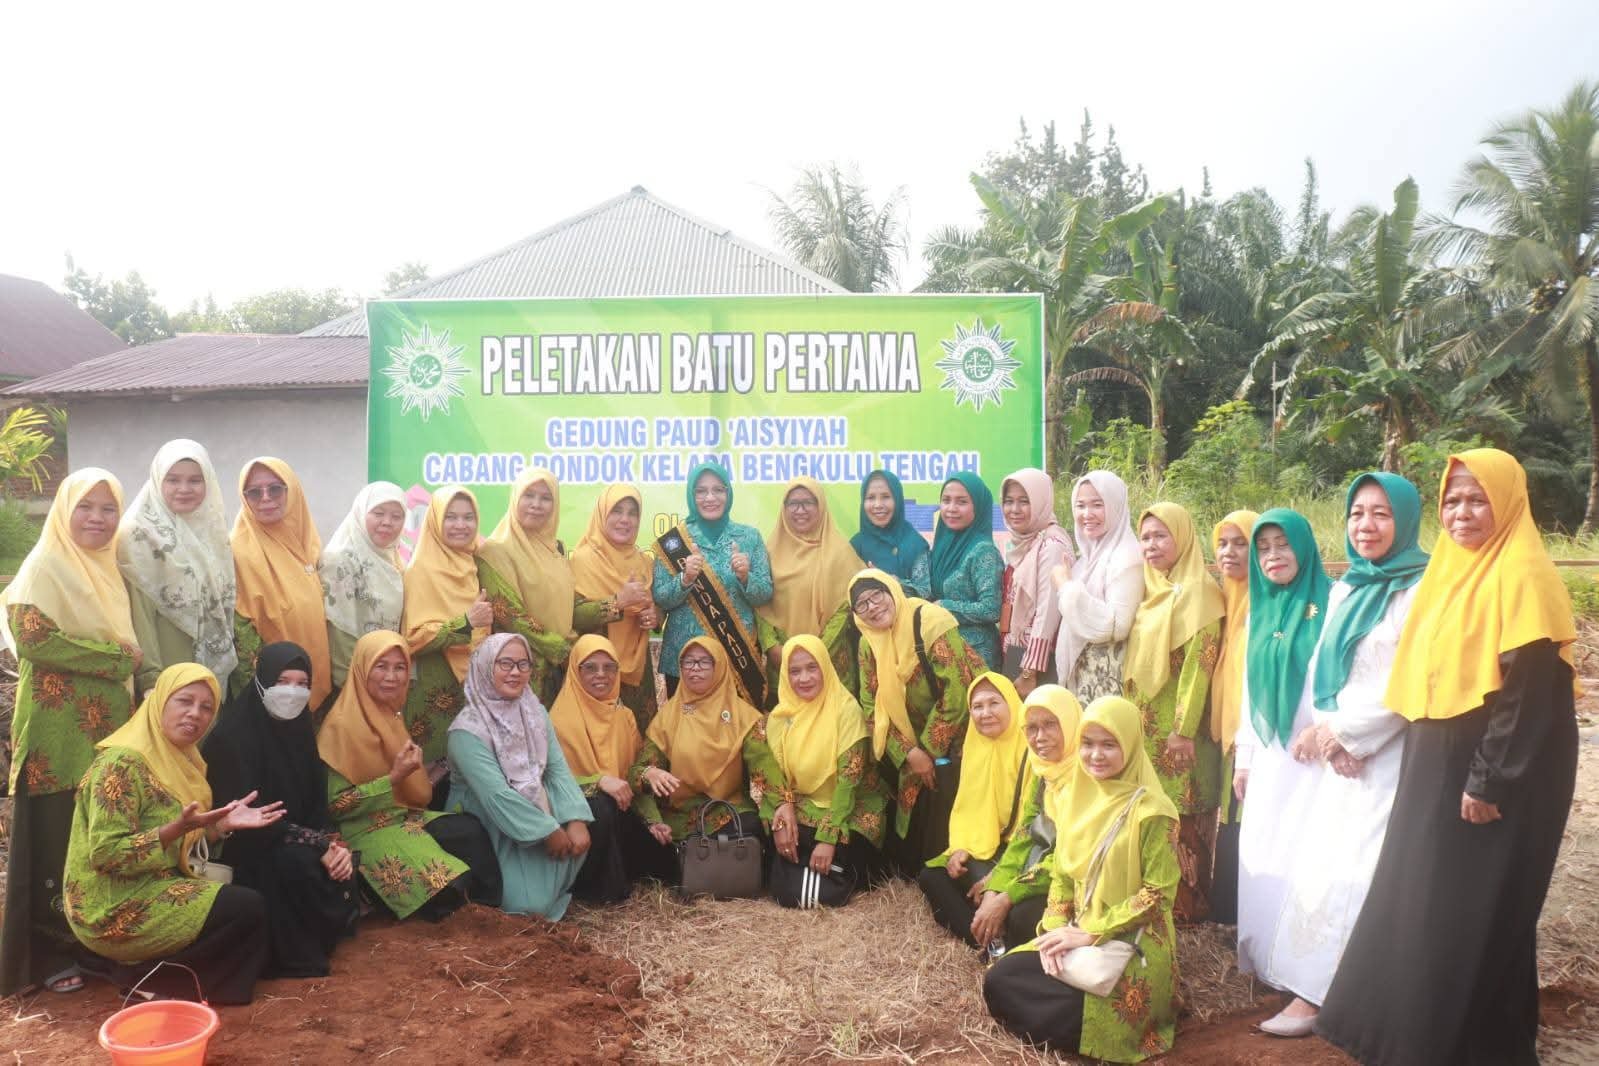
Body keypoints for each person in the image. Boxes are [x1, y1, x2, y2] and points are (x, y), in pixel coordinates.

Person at [1318, 450, 1579, 1066]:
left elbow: (1528, 699)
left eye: (1477, 499)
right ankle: (1467, 1044)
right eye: (1453, 500)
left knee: (1470, 907)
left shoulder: (1522, 575)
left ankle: (1443, 1045)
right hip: (1439, 756)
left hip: (1496, 770)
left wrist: (1488, 782)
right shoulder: (1448, 571)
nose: (1462, 513)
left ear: (1509, 502)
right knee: (1435, 900)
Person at [1245, 474, 1426, 1036]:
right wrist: (1329, 732)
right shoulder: (1348, 589)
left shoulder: (1421, 589)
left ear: (1405, 521)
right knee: (1326, 870)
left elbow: (1412, 681)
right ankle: (1313, 990)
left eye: (1380, 515)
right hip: (1342, 758)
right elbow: (1329, 672)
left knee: (1365, 875)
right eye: (1356, 514)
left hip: (1390, 756)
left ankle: (1339, 997)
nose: (1366, 526)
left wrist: (1347, 734)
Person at [0, 470, 140, 996]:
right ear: (64, 510)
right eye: (87, 507)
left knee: (95, 832)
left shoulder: (107, 570)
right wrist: (117, 659)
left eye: (109, 509)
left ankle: (93, 943)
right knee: (57, 837)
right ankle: (47, 953)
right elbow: (37, 642)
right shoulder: (44, 566)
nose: (98, 519)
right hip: (57, 733)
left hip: (107, 728)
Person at [64, 664, 280, 1004]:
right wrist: (174, 829)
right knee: (244, 907)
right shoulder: (120, 764)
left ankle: (159, 977)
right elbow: (107, 855)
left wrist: (220, 827)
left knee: (249, 901)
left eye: (206, 707)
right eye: (184, 701)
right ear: (160, 702)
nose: (195, 714)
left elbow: (179, 844)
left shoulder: (182, 762)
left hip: (153, 883)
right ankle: (153, 981)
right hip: (111, 904)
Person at [983, 695, 1181, 1062]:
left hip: (1133, 940)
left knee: (1100, 1006)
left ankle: (1109, 1031)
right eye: (1088, 744)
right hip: (1079, 929)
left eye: (1109, 745)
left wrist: (1092, 933)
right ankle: (1079, 1023)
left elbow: (1157, 895)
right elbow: (1062, 873)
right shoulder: (1078, 795)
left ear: (1131, 745)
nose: (1095, 756)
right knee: (1000, 979)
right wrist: (1055, 930)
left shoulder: (1154, 812)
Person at [318, 631, 500, 921]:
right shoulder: (340, 727)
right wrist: (393, 778)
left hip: (404, 816)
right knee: (451, 888)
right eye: (381, 666)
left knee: (469, 832)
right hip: (364, 830)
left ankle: (495, 920)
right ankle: (375, 894)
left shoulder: (390, 713)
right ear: (362, 669)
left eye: (399, 667)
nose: (392, 676)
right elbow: (335, 806)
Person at [203, 643, 359, 978]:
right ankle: (291, 954)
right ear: (261, 681)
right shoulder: (230, 738)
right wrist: (316, 846)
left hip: (294, 836)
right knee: (298, 863)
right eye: (283, 681)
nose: (292, 692)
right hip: (248, 845)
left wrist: (331, 843)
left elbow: (317, 802)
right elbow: (248, 813)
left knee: (343, 861)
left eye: (303, 684)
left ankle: (316, 936)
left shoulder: (301, 730)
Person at [1233, 511, 1330, 992]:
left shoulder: (1332, 603)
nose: (1273, 556)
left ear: (1305, 547)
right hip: (1271, 754)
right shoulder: (1259, 607)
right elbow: (1248, 692)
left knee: (1305, 853)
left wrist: (1322, 728)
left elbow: (1340, 679)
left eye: (1283, 545)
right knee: (1264, 847)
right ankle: (1263, 958)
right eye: (1264, 548)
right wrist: (1245, 757)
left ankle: (1300, 964)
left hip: (1315, 758)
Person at [1122, 502, 1225, 921]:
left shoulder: (1200, 593)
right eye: (1145, 537)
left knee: (1184, 817)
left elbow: (1200, 667)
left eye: (1161, 536)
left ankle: (1190, 907)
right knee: (1152, 814)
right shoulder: (1150, 591)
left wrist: (1182, 729)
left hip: (1180, 734)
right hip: (1145, 726)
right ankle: (1157, 899)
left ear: (1181, 538)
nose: (1151, 545)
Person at [446, 634, 594, 920]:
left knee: (580, 840)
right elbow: (496, 795)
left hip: (534, 811)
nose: (515, 672)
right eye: (505, 663)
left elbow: (556, 768)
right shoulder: (466, 730)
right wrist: (548, 831)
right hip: (487, 822)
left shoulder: (535, 711)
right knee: (528, 906)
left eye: (523, 664)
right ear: (486, 667)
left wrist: (575, 819)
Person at [849, 569, 986, 872]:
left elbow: (957, 690)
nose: (872, 607)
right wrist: (910, 753)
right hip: (913, 742)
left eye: (877, 595)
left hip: (963, 732)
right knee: (912, 832)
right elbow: (871, 705)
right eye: (862, 604)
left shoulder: (929, 621)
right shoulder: (867, 643)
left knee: (954, 805)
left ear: (893, 590)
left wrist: (929, 751)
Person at [744, 635, 887, 907]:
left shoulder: (846, 711)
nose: (804, 678)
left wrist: (828, 839)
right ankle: (808, 874)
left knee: (832, 849)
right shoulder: (781, 716)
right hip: (803, 804)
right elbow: (769, 771)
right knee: (774, 830)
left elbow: (849, 782)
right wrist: (782, 809)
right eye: (794, 671)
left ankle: (812, 873)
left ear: (826, 666)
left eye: (812, 667)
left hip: (849, 808)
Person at [549, 634, 674, 900]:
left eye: (609, 667)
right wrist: (598, 781)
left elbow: (632, 777)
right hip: (577, 819)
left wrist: (653, 821)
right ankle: (596, 888)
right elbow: (549, 784)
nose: (601, 675)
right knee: (602, 806)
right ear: (575, 671)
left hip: (620, 811)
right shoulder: (558, 721)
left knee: (666, 855)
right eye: (590, 667)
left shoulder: (623, 716)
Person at [916, 673, 1029, 948]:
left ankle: (995, 929)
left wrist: (999, 875)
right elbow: (968, 808)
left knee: (1014, 908)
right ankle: (988, 940)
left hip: (1021, 855)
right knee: (932, 876)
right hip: (985, 847)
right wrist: (960, 847)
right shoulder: (975, 744)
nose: (985, 713)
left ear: (1012, 704)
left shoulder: (1032, 748)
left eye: (994, 703)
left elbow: (1035, 827)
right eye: (977, 706)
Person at [478, 468, 609, 705]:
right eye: (529, 495)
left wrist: (617, 603)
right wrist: (563, 651)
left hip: (559, 674)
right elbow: (510, 615)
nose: (536, 504)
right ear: (515, 497)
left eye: (546, 498)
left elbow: (571, 608)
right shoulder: (494, 552)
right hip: (520, 672)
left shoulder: (555, 552)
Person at [117, 439, 237, 695]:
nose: (184, 488)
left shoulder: (213, 533)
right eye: (172, 480)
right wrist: (150, 679)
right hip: (166, 665)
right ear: (158, 480)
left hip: (209, 666)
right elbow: (140, 614)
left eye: (195, 480)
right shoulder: (138, 535)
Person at [971, 685, 1084, 951]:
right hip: (1033, 867)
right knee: (961, 885)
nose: (1040, 737)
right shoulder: (1043, 770)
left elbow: (1068, 860)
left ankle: (1002, 940)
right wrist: (994, 891)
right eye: (1031, 728)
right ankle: (991, 936)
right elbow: (1023, 834)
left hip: (1070, 881)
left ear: (1070, 723)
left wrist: (1008, 896)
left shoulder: (1087, 777)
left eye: (1050, 725)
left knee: (1019, 916)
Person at [652, 462, 772, 700]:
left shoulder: (749, 537)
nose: (710, 497)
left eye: (718, 490)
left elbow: (765, 593)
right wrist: (685, 580)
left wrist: (745, 577)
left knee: (738, 732)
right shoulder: (674, 542)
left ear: (728, 494)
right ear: (691, 495)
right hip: (685, 661)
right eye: (701, 491)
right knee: (688, 730)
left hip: (737, 658)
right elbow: (660, 598)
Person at [629, 638, 763, 850]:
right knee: (645, 838)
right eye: (688, 662)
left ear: (719, 666)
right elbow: (637, 771)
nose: (695, 669)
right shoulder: (668, 716)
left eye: (704, 662)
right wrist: (649, 773)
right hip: (679, 814)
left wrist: (781, 809)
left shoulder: (741, 716)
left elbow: (764, 767)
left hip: (727, 809)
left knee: (752, 827)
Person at [402, 485, 492, 770]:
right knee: (433, 773)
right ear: (435, 520)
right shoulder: (421, 569)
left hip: (477, 683)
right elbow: (413, 638)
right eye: (451, 517)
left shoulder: (474, 563)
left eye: (468, 518)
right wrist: (466, 622)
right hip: (435, 682)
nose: (460, 525)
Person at [229, 457, 331, 707]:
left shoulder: (308, 543)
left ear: (292, 491)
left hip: (314, 680)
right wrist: (265, 690)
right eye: (254, 492)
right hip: (273, 689)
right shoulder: (237, 551)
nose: (265, 498)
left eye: (275, 488)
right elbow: (240, 629)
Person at [570, 483, 660, 733]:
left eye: (633, 513)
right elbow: (573, 616)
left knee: (639, 737)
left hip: (638, 673)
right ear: (602, 514)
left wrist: (654, 617)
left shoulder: (644, 562)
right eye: (617, 511)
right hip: (597, 668)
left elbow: (655, 610)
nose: (625, 519)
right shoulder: (582, 559)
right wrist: (617, 602)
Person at [1206, 508, 1258, 925]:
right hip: (1230, 734)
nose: (1229, 552)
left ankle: (1242, 914)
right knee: (1232, 816)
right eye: (1222, 543)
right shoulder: (1227, 595)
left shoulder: (1264, 602)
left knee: (1247, 818)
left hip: (1254, 734)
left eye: (1240, 543)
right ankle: (1226, 910)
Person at [1053, 471, 1144, 701]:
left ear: (1115, 506)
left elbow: (1117, 625)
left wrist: (1066, 586)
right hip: (1085, 682)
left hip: (1106, 686)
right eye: (1080, 505)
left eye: (1097, 504)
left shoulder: (1126, 556)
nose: (1086, 514)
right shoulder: (1088, 559)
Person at [321, 481, 407, 690]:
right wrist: (353, 688)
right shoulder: (340, 561)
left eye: (397, 516)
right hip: (353, 682)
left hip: (385, 681)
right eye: (378, 513)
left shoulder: (393, 560)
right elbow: (340, 634)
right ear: (360, 513)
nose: (387, 522)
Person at [999, 468, 1073, 696]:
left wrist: (1030, 671)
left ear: (1041, 501)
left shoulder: (1051, 544)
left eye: (1024, 501)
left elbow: (1048, 612)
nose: (1014, 510)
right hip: (1018, 652)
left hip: (1039, 662)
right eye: (1009, 501)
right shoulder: (1025, 541)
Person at [926, 472, 1004, 668]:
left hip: (976, 656)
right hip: (944, 652)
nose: (951, 508)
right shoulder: (942, 546)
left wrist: (945, 606)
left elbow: (991, 609)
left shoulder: (984, 551)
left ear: (977, 507)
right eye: (946, 500)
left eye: (961, 502)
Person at [849, 469, 930, 596]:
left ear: (897, 500)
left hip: (909, 614)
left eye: (886, 497)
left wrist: (892, 582)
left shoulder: (914, 544)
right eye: (870, 498)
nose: (878, 505)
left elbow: (927, 593)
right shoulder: (855, 545)